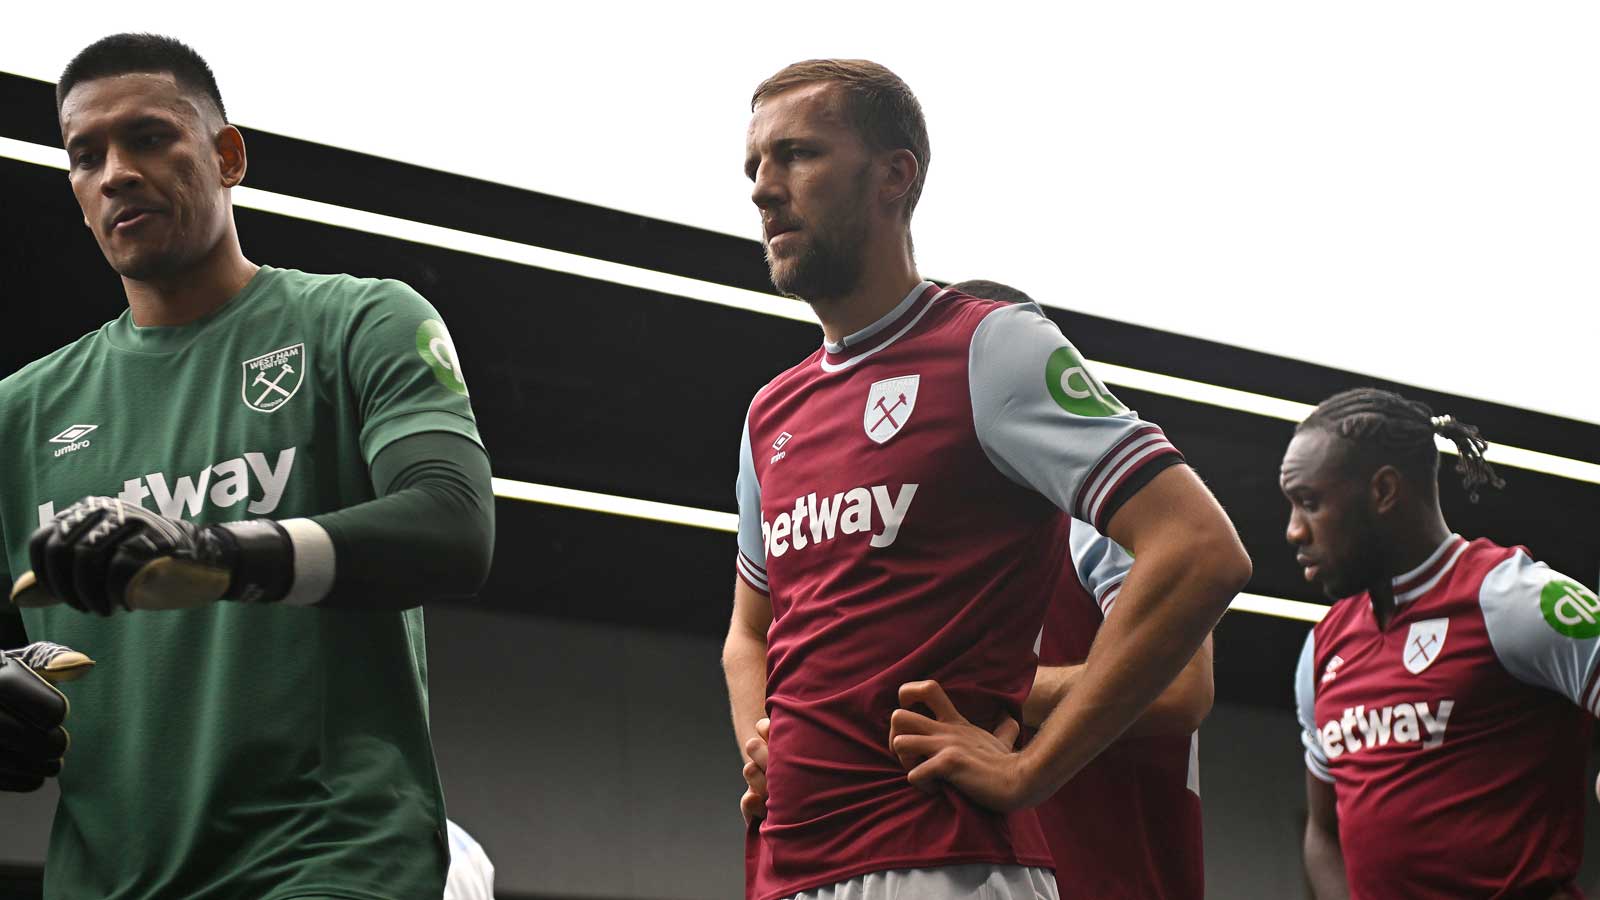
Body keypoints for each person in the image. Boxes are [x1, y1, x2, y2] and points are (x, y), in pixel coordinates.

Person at [723, 59, 1250, 900]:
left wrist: (1031, 770)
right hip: (787, 866)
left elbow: (1200, 551)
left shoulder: (989, 345)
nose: (763, 188)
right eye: (754, 166)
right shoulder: (769, 413)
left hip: (945, 861)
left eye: (797, 155)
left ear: (896, 175)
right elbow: (750, 631)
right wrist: (762, 739)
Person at [0, 33, 494, 899]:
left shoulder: (358, 322)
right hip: (104, 878)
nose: (115, 172)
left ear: (227, 156)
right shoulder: (19, 413)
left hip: (330, 863)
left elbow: (453, 524)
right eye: (86, 156)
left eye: (150, 137)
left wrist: (218, 555)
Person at [1288, 388, 1596, 899]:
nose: (1294, 530)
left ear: (1383, 491)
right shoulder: (1323, 649)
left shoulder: (1514, 598)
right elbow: (1325, 833)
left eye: (1310, 502)